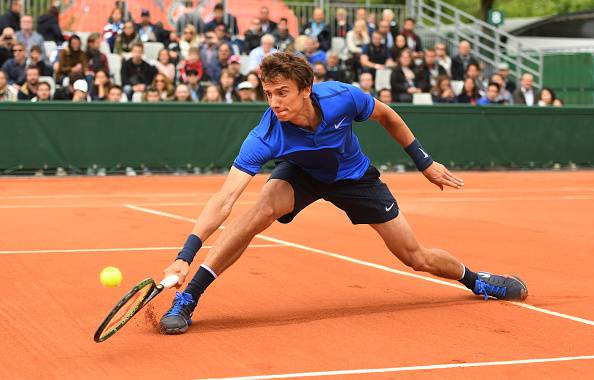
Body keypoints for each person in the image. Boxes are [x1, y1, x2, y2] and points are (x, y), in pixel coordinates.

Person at [157, 51, 528, 335]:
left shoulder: (342, 97)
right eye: (269, 93)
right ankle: (188, 297)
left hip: (353, 176)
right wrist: (184, 255)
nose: (274, 103)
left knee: (415, 256)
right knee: (257, 211)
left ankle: (477, 280)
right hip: (301, 174)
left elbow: (388, 117)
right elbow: (224, 199)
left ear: (307, 89)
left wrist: (424, 162)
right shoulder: (267, 133)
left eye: (283, 93)